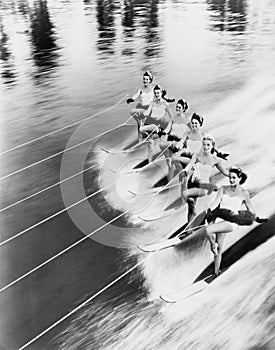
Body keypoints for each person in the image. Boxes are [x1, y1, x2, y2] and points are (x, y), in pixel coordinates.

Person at [202, 166, 268, 277]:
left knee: (208, 229)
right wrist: (209, 210)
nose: (231, 180)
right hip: (221, 219)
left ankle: (212, 245)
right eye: (230, 177)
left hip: (231, 222)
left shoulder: (244, 194)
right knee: (220, 247)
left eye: (234, 178)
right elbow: (216, 202)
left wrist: (258, 219)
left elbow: (251, 209)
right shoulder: (223, 188)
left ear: (239, 178)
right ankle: (216, 272)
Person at [180, 135, 229, 222]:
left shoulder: (215, 160)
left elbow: (225, 172)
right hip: (193, 183)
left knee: (186, 195)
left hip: (204, 187)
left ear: (212, 146)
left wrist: (236, 174)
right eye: (204, 144)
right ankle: (188, 230)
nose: (206, 147)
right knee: (190, 209)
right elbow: (190, 165)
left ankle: (196, 215)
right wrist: (185, 170)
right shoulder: (196, 156)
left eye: (208, 145)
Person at [158, 99, 190, 180]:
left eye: (179, 107)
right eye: (177, 107)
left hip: (178, 142)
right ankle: (170, 181)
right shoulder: (173, 118)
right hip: (170, 139)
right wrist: (162, 132)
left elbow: (191, 133)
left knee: (174, 161)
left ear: (183, 109)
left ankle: (182, 177)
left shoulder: (187, 120)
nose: (177, 109)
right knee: (169, 163)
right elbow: (167, 129)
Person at [139, 84, 173, 162]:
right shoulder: (152, 102)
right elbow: (148, 111)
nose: (157, 95)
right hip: (152, 125)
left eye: (158, 93)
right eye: (155, 93)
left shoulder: (165, 104)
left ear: (161, 93)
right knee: (150, 143)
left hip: (161, 126)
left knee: (162, 146)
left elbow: (172, 117)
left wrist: (168, 129)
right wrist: (143, 115)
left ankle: (169, 160)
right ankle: (149, 162)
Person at [126, 71, 155, 141]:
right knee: (139, 125)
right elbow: (135, 96)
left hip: (149, 110)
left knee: (147, 126)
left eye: (147, 79)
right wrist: (130, 99)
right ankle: (140, 141)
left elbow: (159, 95)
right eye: (144, 79)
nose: (145, 81)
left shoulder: (153, 89)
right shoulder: (141, 89)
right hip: (140, 108)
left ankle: (150, 140)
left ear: (150, 80)